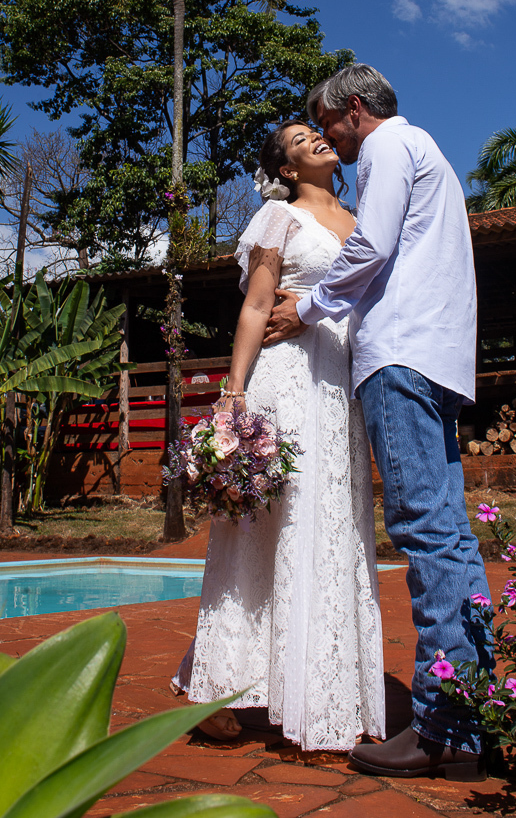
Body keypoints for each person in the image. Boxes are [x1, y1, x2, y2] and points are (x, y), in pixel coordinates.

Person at [264, 64, 493, 781]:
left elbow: (371, 246)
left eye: (327, 123)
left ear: (354, 109)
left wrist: (306, 309)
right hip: (440, 358)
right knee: (452, 537)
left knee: (425, 533)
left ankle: (441, 727)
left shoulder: (389, 145)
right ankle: (472, 717)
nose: (329, 138)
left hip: (399, 357)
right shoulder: (429, 151)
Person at [172, 118, 385, 751]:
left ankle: (318, 687)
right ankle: (218, 683)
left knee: (332, 525)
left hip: (342, 382)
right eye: (298, 140)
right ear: (287, 170)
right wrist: (234, 392)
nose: (315, 137)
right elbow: (257, 306)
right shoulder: (278, 218)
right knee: (270, 526)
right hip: (288, 379)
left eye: (316, 131)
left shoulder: (363, 220)